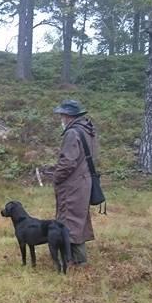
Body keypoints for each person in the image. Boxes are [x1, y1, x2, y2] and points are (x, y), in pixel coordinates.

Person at [52, 99, 98, 266]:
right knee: (79, 219)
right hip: (84, 182)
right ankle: (76, 259)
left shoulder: (73, 133)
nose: (61, 119)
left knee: (68, 220)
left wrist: (56, 177)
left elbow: (68, 162)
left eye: (62, 115)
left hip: (73, 185)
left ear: (68, 116)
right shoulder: (88, 129)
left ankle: (73, 260)